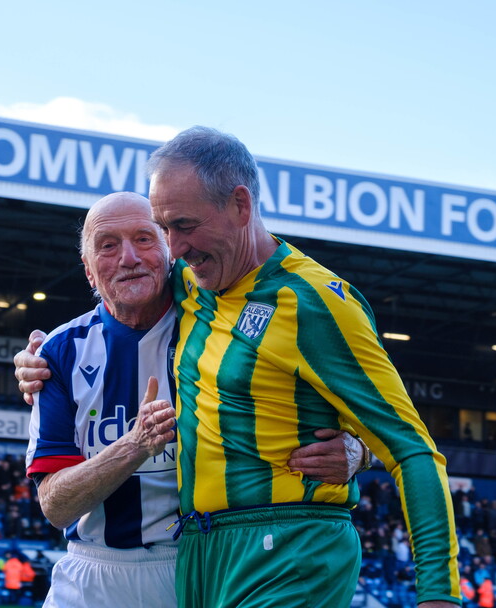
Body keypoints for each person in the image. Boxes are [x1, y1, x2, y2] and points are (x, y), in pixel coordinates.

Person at [146, 126, 459, 607]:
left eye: (185, 226)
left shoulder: (315, 304)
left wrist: (439, 596)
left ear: (241, 205)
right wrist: (45, 353)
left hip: (289, 545)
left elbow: (413, 450)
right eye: (163, 228)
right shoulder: (189, 280)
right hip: (200, 549)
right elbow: (117, 296)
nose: (174, 248)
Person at [15, 192, 364, 607]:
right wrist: (135, 445)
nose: (128, 257)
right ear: (89, 271)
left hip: (195, 564)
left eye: (144, 239)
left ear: (171, 252)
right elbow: (55, 505)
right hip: (90, 573)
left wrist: (361, 450)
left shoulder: (221, 329)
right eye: (108, 245)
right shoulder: (58, 352)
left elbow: (331, 399)